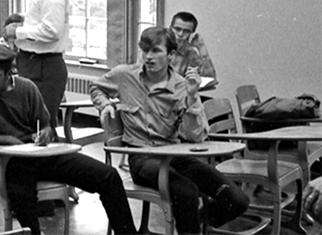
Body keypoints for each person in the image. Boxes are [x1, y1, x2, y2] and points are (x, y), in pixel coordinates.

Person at [0, 45, 136, 235]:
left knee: (108, 176)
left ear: (9, 74)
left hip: (39, 153)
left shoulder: (27, 88)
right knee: (21, 195)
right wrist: (6, 140)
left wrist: (44, 133)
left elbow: (46, 126)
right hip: (9, 160)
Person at [90, 27, 248, 234]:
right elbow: (96, 87)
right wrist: (106, 105)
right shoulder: (124, 75)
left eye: (156, 51)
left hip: (176, 155)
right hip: (143, 158)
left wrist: (192, 97)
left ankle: (196, 224)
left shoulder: (183, 86)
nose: (148, 57)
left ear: (171, 55)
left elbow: (195, 136)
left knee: (237, 199)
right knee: (187, 192)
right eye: (144, 50)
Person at [3, 0, 71, 120]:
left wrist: (17, 32)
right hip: (33, 64)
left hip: (43, 66)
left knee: (41, 125)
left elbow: (52, 31)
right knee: (31, 123)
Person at [170, 11, 216, 79]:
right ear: (170, 28)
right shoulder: (156, 46)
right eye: (177, 29)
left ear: (192, 34)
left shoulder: (191, 54)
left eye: (186, 31)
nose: (180, 34)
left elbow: (210, 79)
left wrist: (202, 48)